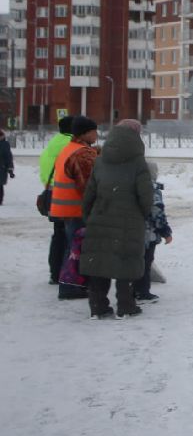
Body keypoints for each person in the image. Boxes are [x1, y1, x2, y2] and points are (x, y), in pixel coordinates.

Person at [80, 119, 154, 319]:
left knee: (99, 264)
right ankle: (126, 306)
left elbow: (90, 192)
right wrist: (145, 214)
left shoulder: (100, 160)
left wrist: (88, 215)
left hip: (100, 216)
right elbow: (146, 195)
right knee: (126, 263)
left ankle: (98, 306)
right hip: (129, 222)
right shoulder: (138, 163)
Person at [49, 115, 100, 300]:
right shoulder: (82, 154)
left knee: (71, 247)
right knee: (76, 250)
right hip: (76, 209)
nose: (97, 134)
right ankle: (70, 286)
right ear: (85, 133)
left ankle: (69, 284)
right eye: (94, 131)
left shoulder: (70, 148)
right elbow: (88, 186)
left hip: (66, 208)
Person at [41, 115, 74, 284]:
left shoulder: (54, 142)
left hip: (52, 193)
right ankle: (65, 273)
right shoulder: (69, 145)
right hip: (66, 195)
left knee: (58, 235)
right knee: (69, 236)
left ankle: (55, 273)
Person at [134, 161, 172, 303]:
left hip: (133, 230)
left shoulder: (133, 185)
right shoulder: (151, 188)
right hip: (148, 233)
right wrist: (165, 231)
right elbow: (156, 212)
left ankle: (135, 289)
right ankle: (142, 292)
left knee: (137, 262)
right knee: (146, 261)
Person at [0, 130, 13, 205]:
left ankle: (0, 200)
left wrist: (10, 169)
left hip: (1, 168)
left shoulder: (5, 144)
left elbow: (8, 157)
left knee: (0, 185)